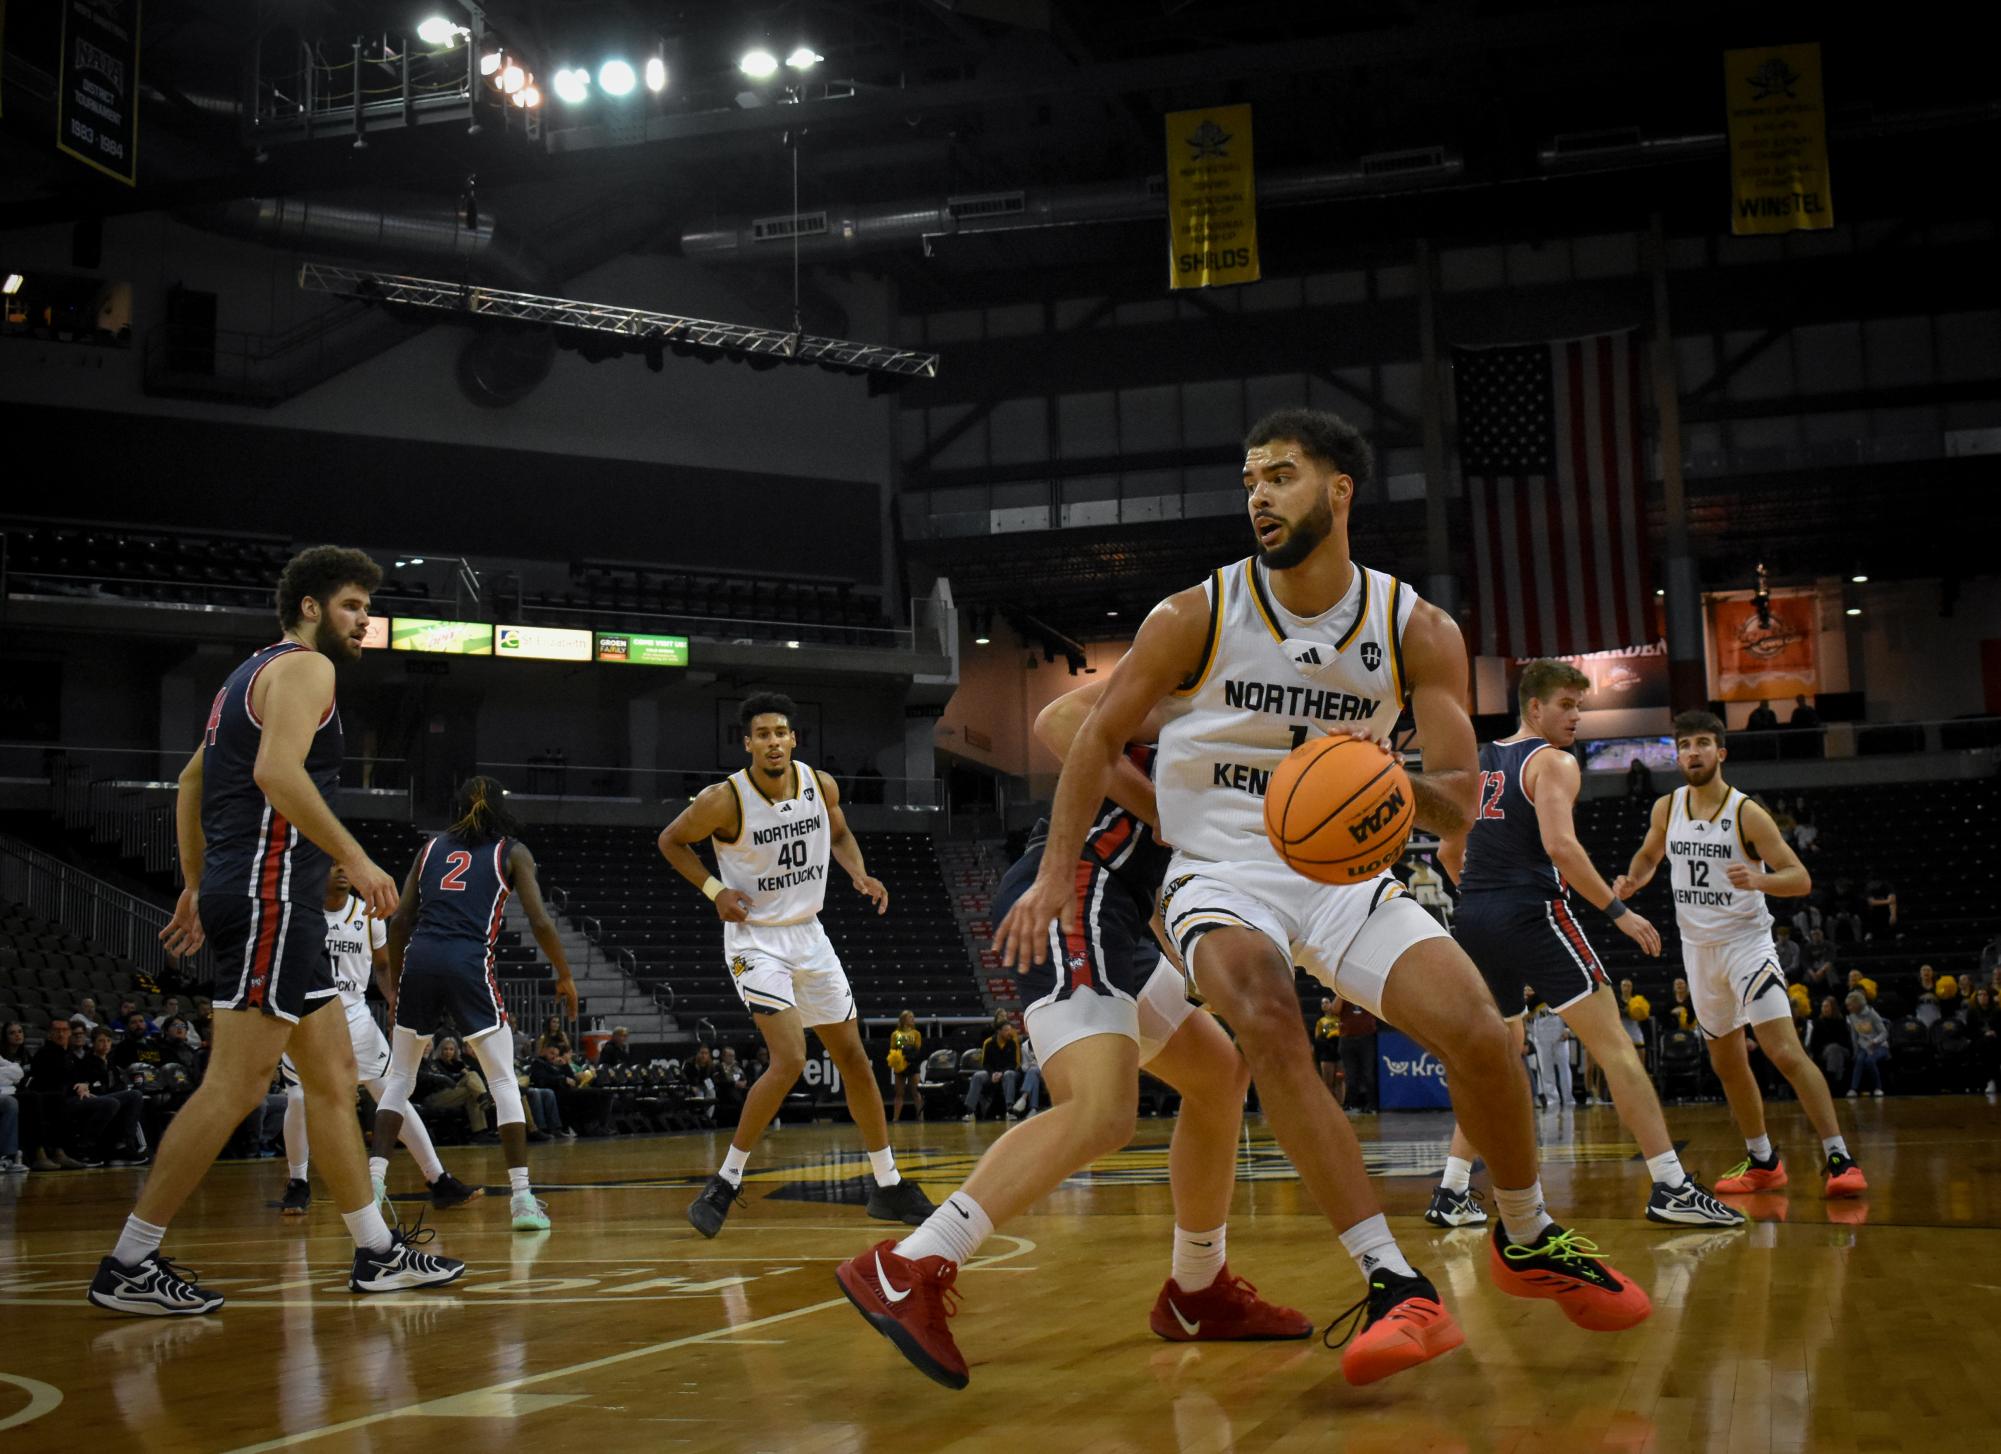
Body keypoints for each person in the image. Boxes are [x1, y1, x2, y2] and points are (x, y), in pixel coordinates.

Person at [992, 410, 1651, 1375]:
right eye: (1249, 477)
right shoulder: (1194, 615)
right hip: (1219, 873)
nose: (1257, 494)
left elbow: (1460, 802)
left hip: (1344, 874)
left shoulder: (1414, 628)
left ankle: (1524, 1236)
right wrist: (1057, 873)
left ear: (1338, 490)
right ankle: (1393, 1282)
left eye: (1282, 475)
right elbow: (1082, 732)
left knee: (1475, 1027)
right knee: (1264, 1018)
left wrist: (1382, 783)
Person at [838, 690, 1317, 1392]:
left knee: (1217, 1075)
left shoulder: (1273, 748)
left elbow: (1167, 874)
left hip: (1123, 914)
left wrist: (1187, 959)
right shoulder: (1208, 675)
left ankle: (1195, 1289)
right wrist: (1169, 814)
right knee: (1100, 1110)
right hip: (1077, 888)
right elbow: (1057, 722)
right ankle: (909, 1265)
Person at [89, 547, 462, 1315]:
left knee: (329, 1085)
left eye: (368, 607)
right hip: (269, 898)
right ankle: (129, 1261)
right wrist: (354, 858)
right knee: (235, 1085)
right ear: (311, 608)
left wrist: (195, 883)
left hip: (254, 894)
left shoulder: (246, 676)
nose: (366, 620)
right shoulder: (305, 669)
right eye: (354, 605)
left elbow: (194, 779)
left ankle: (375, 1253)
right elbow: (276, 774)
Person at [1425, 661, 1738, 1231]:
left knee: (1500, 1053)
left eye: (1579, 706)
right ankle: (1671, 1185)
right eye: (1566, 705)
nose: (1575, 717)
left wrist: (1481, 898)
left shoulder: (1480, 762)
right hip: (1533, 912)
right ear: (1534, 707)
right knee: (1616, 1047)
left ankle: (1451, 1190)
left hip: (1473, 917)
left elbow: (1449, 853)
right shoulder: (1554, 762)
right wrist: (1618, 912)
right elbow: (1560, 847)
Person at [662, 693, 933, 1237]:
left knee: (856, 1058)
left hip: (810, 936)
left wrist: (859, 872)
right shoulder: (724, 800)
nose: (773, 741)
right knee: (790, 1056)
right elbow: (671, 840)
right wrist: (714, 888)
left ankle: (887, 1184)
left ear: (793, 739)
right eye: (761, 733)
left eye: (780, 732)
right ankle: (726, 1182)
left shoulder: (821, 784)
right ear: (748, 743)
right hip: (755, 941)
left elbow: (838, 834)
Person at [1615, 710, 1866, 1199]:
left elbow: (1800, 877)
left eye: (1703, 743)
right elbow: (1649, 855)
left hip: (1747, 946)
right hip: (1698, 951)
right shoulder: (1667, 808)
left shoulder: (1746, 812)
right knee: (1727, 1064)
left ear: (1720, 752)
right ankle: (1763, 1161)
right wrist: (1633, 879)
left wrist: (1760, 879)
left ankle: (1839, 1156)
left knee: (1784, 1052)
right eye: (1685, 745)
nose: (1693, 752)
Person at [377, 775, 579, 1232]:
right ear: (499, 809)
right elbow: (542, 922)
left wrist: (395, 986)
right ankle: (523, 1200)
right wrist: (563, 974)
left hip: (420, 960)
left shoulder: (428, 850)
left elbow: (400, 921)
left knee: (399, 1079)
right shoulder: (512, 851)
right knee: (503, 1079)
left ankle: (373, 1185)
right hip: (467, 962)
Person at [276, 865, 481, 1218]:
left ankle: (438, 1179)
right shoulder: (300, 911)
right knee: (297, 1098)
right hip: (308, 1017)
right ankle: (298, 1182)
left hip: (356, 1019)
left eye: (346, 865)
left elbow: (383, 967)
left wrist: (394, 1004)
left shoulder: (367, 915)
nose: (342, 871)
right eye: (333, 864)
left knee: (392, 1094)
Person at [422, 1036, 490, 1138]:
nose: (426, 1048)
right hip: (431, 1097)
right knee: (472, 1086)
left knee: (471, 1078)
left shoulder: (431, 1062)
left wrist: (458, 1075)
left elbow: (448, 1076)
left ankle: (480, 1133)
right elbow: (426, 1078)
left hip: (445, 1092)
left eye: (428, 1045)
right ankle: (483, 1097)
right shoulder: (419, 1062)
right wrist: (443, 1079)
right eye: (424, 1046)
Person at [963, 1020, 1023, 1120]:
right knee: (977, 1076)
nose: (1009, 1032)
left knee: (1009, 1074)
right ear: (999, 1031)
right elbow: (985, 1064)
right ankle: (970, 1112)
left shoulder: (1013, 1043)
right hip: (992, 1072)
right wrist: (992, 1074)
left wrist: (1001, 1073)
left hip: (1008, 1072)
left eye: (1010, 1030)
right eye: (1006, 1030)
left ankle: (1009, 1110)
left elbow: (1014, 1064)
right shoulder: (988, 1043)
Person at [1335, 995, 1378, 1113]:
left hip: (1366, 1038)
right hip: (1347, 1039)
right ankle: (1351, 1104)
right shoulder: (1343, 992)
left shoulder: (1366, 991)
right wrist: (1339, 993)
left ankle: (1372, 1105)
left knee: (1368, 1074)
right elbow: (1334, 1010)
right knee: (1350, 1075)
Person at [1844, 991, 1890, 1098]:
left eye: (1850, 1005)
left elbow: (1884, 1033)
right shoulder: (1852, 1017)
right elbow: (1854, 1036)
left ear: (1857, 1004)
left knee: (1870, 1061)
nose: (1848, 1007)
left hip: (1879, 1046)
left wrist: (1875, 1041)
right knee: (1859, 1060)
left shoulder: (1872, 1014)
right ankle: (1853, 1089)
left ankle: (1878, 1087)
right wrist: (1855, 1051)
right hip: (1864, 1047)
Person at [887, 1011, 925, 1123]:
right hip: (900, 1066)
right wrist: (898, 1059)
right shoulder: (895, 1034)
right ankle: (895, 1118)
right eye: (910, 1017)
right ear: (903, 1019)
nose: (913, 1019)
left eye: (913, 1017)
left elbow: (917, 1050)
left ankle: (921, 1118)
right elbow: (892, 1049)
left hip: (912, 1065)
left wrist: (909, 1059)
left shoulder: (916, 1034)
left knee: (916, 1093)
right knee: (899, 1093)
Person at [1312, 996, 1342, 1096]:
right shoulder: (1320, 1021)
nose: (1325, 1004)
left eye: (1327, 1002)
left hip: (1339, 1051)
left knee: (1339, 1080)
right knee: (1327, 1082)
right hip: (1327, 1052)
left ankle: (1341, 1104)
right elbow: (1317, 1039)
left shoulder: (1339, 1018)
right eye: (1323, 1003)